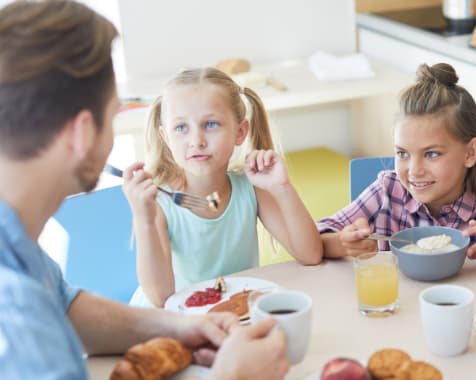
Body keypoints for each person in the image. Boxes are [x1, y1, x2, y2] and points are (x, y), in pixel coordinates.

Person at [0, 1, 288, 379]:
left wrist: (179, 327)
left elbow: (66, 305)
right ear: (84, 132)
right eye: (113, 114)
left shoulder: (17, 246)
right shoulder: (15, 313)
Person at [124, 67, 323, 307]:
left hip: (232, 313)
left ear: (240, 132)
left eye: (210, 124)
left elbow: (311, 255)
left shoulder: (251, 188)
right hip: (170, 321)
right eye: (181, 128)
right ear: (166, 138)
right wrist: (143, 219)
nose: (196, 140)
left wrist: (282, 188)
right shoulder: (160, 203)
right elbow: (161, 298)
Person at [318, 63, 476, 263]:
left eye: (432, 154)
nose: (414, 171)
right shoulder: (388, 191)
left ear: (470, 153)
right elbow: (317, 238)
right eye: (402, 153)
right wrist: (344, 244)